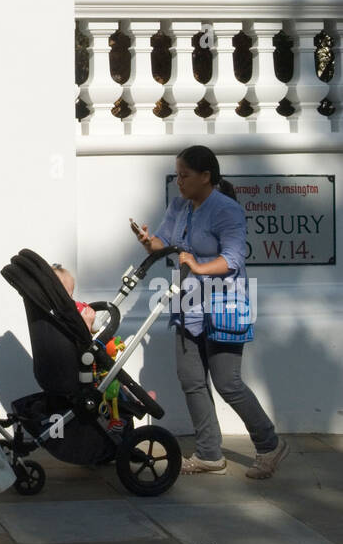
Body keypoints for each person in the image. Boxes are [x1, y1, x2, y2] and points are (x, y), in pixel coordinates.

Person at [134, 145, 287, 479]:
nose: (179, 181)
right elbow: (165, 242)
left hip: (223, 305)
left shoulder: (226, 210)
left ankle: (269, 444)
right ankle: (208, 454)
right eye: (177, 174)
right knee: (191, 380)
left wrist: (198, 267)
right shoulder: (178, 205)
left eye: (185, 175)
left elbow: (233, 259)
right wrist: (149, 241)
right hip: (188, 305)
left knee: (227, 382)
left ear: (206, 176)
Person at [51, 263, 97, 333]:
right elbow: (79, 340)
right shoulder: (62, 316)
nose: (72, 299)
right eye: (69, 296)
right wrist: (87, 323)